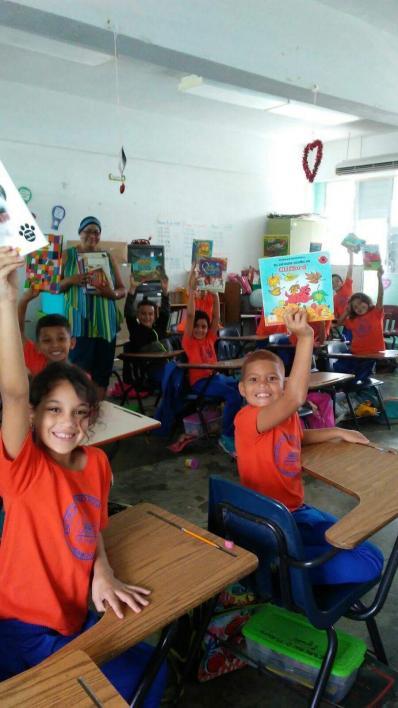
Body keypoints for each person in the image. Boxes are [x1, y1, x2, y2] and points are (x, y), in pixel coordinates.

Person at [0, 246, 166, 705]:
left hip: (77, 612)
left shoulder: (95, 464)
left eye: (78, 413)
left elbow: (92, 527)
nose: (66, 423)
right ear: (33, 416)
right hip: (24, 627)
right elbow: (14, 394)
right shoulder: (25, 467)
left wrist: (104, 573)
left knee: (155, 671)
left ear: (91, 418)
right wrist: (5, 299)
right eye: (53, 409)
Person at [235, 310, 383, 585]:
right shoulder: (248, 419)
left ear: (284, 385)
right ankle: (278, 568)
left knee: (365, 550)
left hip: (295, 511)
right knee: (368, 564)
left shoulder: (285, 415)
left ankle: (282, 562)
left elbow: (298, 437)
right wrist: (305, 338)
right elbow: (296, 397)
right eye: (253, 380)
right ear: (242, 389)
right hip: (270, 521)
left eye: (272, 378)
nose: (263, 386)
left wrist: (337, 431)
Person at [59, 216, 126, 399]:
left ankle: (98, 412)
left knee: (101, 374)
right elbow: (54, 288)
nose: (92, 235)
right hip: (79, 325)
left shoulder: (107, 257)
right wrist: (73, 279)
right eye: (88, 230)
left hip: (106, 325)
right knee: (78, 374)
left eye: (96, 231)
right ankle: (79, 413)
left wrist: (111, 294)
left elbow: (122, 289)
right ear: (80, 233)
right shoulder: (67, 255)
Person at [182, 271, 242, 457]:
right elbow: (191, 315)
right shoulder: (189, 341)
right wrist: (192, 291)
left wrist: (216, 291)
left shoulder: (209, 338)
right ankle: (226, 436)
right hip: (201, 383)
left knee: (243, 386)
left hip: (215, 379)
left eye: (204, 327)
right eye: (197, 326)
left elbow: (216, 317)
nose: (200, 329)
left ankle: (239, 428)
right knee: (234, 396)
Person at [334, 266, 385, 382]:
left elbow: (380, 296)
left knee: (361, 377)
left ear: (367, 302)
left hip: (370, 355)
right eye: (355, 307)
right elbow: (339, 323)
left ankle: (359, 388)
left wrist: (380, 278)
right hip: (355, 353)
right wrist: (347, 311)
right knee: (341, 371)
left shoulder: (376, 313)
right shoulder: (353, 319)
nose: (358, 308)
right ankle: (349, 390)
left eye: (361, 304)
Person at [123, 272, 170, 385]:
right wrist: (133, 288)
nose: (147, 317)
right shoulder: (135, 329)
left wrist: (165, 291)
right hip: (148, 372)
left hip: (166, 367)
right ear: (138, 315)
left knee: (180, 374)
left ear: (155, 315)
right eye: (143, 314)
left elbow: (165, 312)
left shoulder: (159, 327)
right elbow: (129, 311)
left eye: (150, 314)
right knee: (175, 377)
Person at [18, 286, 75, 375]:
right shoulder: (34, 360)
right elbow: (17, 333)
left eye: (61, 339)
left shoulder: (80, 378)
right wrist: (24, 301)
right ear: (37, 347)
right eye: (47, 340)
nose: (55, 345)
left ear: (72, 343)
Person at [333, 247, 354, 341]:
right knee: (346, 344)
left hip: (356, 322)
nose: (335, 283)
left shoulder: (347, 286)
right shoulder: (334, 298)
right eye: (332, 282)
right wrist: (332, 325)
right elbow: (337, 318)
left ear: (342, 282)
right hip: (347, 326)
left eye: (337, 281)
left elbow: (350, 269)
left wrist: (351, 254)